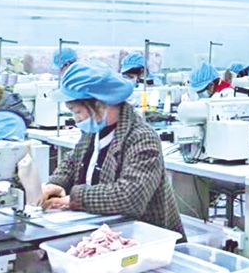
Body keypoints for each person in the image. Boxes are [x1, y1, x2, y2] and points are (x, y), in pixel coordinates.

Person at [39, 62, 184, 234]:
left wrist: (75, 198)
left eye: (77, 112)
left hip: (142, 236)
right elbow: (72, 162)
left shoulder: (141, 138)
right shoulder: (94, 131)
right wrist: (56, 184)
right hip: (102, 229)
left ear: (101, 105)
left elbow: (129, 197)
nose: (76, 119)